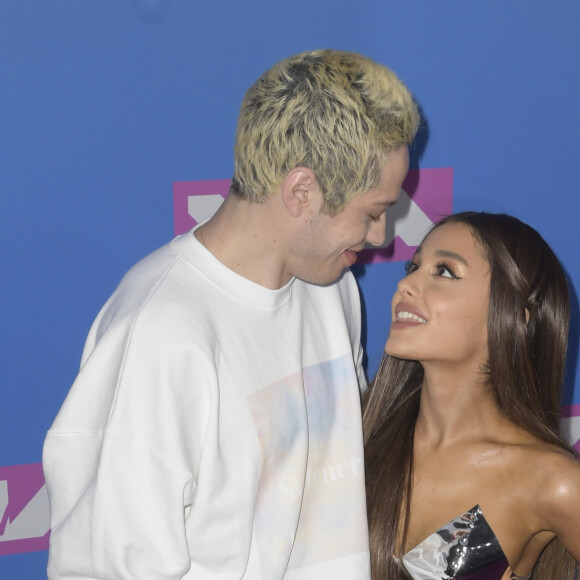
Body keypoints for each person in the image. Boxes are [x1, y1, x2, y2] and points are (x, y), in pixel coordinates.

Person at [42, 49, 419, 579]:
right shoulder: (158, 334)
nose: (380, 236)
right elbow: (106, 565)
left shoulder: (331, 288)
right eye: (373, 213)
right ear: (302, 192)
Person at [363, 212, 580, 580]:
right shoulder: (357, 435)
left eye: (444, 271)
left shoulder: (550, 480)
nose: (408, 285)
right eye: (412, 268)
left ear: (517, 314)